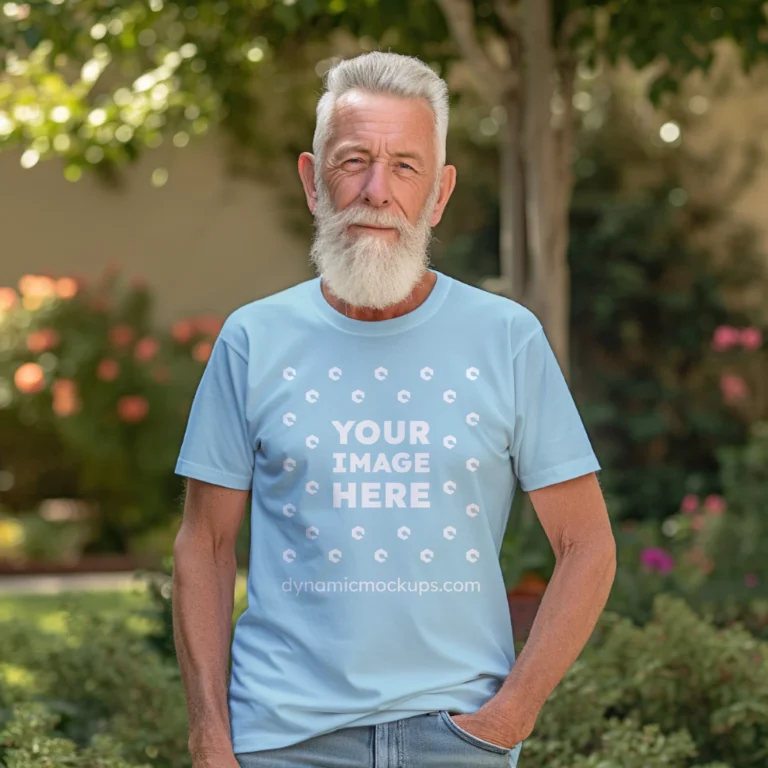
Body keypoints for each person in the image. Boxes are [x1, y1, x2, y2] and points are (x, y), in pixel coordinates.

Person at [172, 51, 615, 768]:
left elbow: (587, 545)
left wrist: (508, 718)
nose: (376, 191)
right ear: (314, 182)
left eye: (405, 166)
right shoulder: (252, 340)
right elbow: (205, 546)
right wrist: (211, 741)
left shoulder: (506, 339)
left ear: (439, 196)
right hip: (285, 742)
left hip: (457, 739)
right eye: (354, 161)